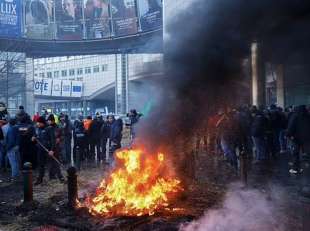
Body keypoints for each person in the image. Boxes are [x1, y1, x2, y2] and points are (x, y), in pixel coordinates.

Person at [287, 105, 310, 174]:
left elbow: (291, 127)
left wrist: (288, 135)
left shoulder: (295, 116)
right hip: (307, 138)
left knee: (296, 154)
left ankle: (296, 169)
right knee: (307, 153)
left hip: (296, 138)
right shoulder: (308, 116)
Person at [46, 114, 64, 181]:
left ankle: (59, 176)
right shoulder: (48, 128)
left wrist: (59, 138)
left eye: (49, 120)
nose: (48, 121)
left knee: (56, 162)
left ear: (52, 121)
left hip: (56, 147)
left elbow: (62, 135)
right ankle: (52, 175)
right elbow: (46, 138)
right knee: (51, 162)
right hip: (49, 148)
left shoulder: (58, 127)